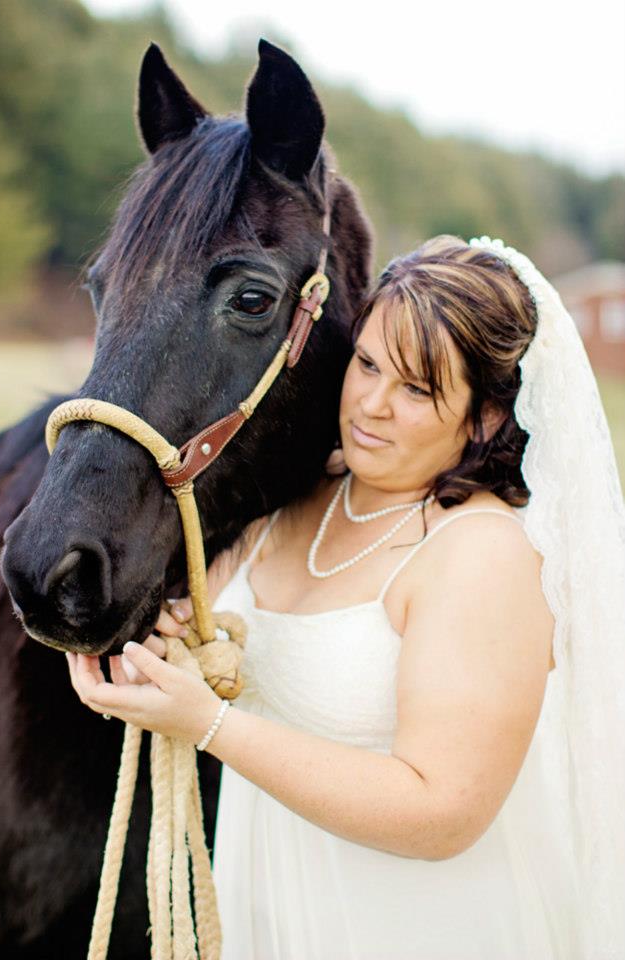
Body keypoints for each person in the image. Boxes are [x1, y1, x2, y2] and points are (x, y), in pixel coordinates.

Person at [67, 234, 625, 959]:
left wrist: (207, 723)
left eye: (417, 389)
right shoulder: (301, 491)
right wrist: (181, 642)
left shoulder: (479, 552)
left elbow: (442, 811)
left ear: (485, 416)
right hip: (264, 904)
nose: (371, 404)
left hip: (408, 928)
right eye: (366, 363)